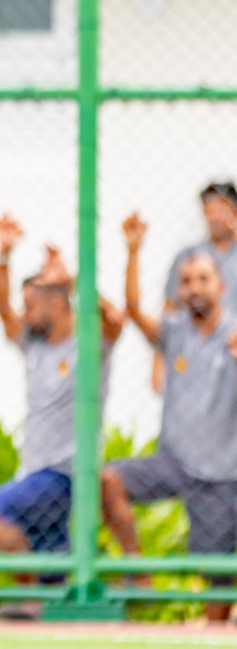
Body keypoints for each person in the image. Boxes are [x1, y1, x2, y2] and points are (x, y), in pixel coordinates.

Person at [0, 215, 123, 618]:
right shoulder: (34, 345)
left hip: (66, 473)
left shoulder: (90, 345)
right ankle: (45, 608)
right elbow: (0, 310)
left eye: (31, 305)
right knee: (54, 580)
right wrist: (4, 254)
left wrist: (74, 279)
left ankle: (28, 596)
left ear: (57, 303)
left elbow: (116, 319)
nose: (23, 314)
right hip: (35, 471)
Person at [103, 215, 237, 623]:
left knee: (215, 578)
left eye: (202, 279)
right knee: (108, 480)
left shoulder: (233, 335)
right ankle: (138, 573)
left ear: (221, 286)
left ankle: (215, 638)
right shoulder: (174, 332)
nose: (194, 287)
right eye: (187, 281)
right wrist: (132, 251)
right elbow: (133, 313)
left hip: (220, 475)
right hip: (174, 463)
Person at [164, 181, 237, 313]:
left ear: (234, 211)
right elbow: (170, 308)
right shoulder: (188, 257)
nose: (214, 217)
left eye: (220, 210)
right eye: (209, 210)